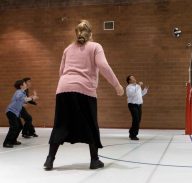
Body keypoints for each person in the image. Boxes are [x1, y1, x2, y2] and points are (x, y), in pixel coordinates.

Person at [43, 20, 124, 170]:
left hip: (63, 89)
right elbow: (103, 66)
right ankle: (94, 160)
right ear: (91, 33)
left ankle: (49, 160)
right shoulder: (95, 46)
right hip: (85, 90)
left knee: (60, 124)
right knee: (91, 124)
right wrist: (117, 85)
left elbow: (61, 71)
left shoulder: (67, 49)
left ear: (77, 33)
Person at [3, 80, 38, 148]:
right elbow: (22, 99)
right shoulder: (19, 92)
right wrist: (32, 98)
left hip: (16, 113)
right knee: (14, 127)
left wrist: (30, 98)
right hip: (11, 112)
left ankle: (13, 140)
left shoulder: (23, 92)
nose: (26, 84)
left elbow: (23, 100)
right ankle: (7, 142)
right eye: (25, 83)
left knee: (19, 126)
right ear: (21, 86)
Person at [126, 75, 148, 140]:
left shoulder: (138, 86)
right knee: (136, 119)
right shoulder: (128, 87)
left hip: (139, 105)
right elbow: (131, 94)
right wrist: (139, 86)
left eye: (134, 77)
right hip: (132, 105)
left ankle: (131, 131)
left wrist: (145, 89)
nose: (134, 78)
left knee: (138, 120)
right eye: (132, 78)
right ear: (129, 81)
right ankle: (133, 135)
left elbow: (141, 94)